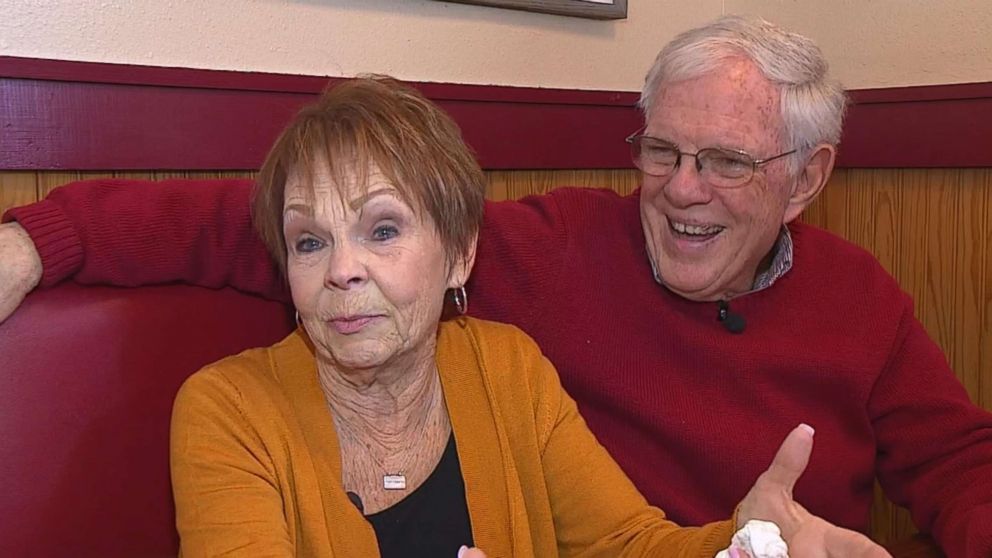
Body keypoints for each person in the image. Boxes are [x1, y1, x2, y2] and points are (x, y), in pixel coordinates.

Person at [0, 14, 990, 556]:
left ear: (806, 178)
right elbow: (289, 220)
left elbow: (956, 465)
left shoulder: (860, 299)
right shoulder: (543, 251)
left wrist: (750, 545)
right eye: (660, 150)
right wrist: (43, 239)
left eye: (725, 162)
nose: (681, 190)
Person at [167, 74, 884, 557]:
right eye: (309, 241)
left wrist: (739, 542)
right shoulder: (228, 411)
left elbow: (626, 544)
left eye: (382, 230)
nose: (341, 269)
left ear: (458, 255)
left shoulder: (506, 366)